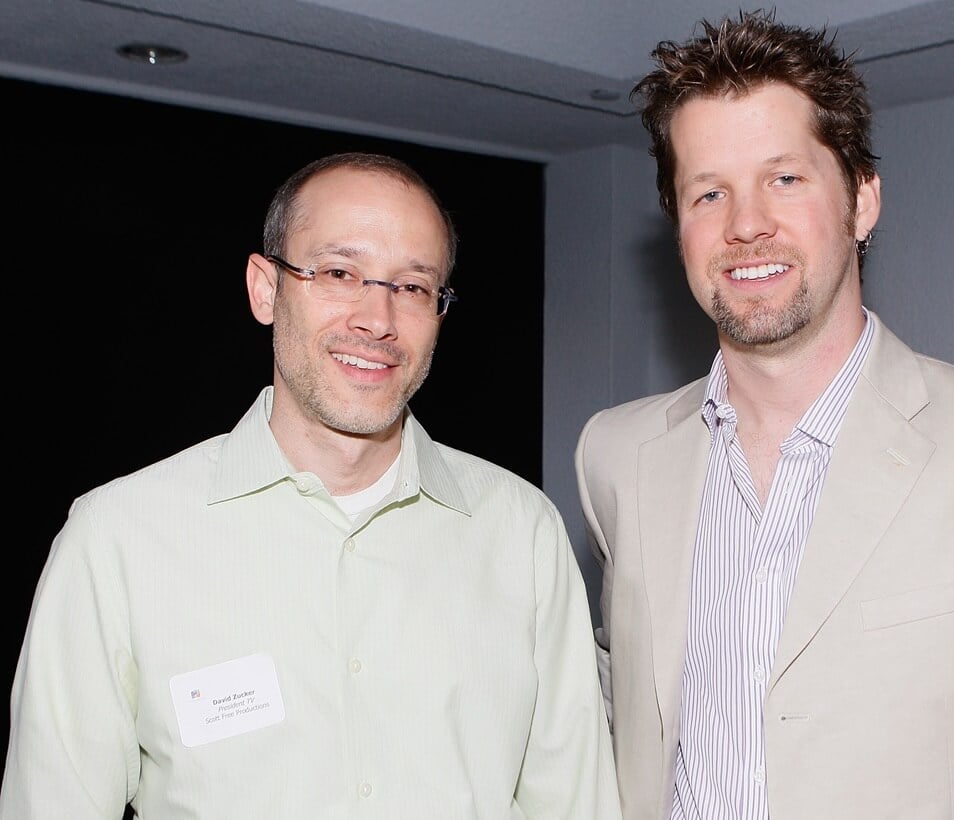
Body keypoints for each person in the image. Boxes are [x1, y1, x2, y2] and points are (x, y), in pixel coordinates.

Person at [574, 10, 954, 820]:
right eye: (709, 192)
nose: (745, 225)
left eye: (785, 178)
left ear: (862, 201)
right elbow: (611, 727)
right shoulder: (616, 455)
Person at [1, 151, 620, 819]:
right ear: (265, 289)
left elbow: (575, 803)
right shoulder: (118, 538)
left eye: (412, 286)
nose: (376, 319)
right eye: (338, 273)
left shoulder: (520, 531)